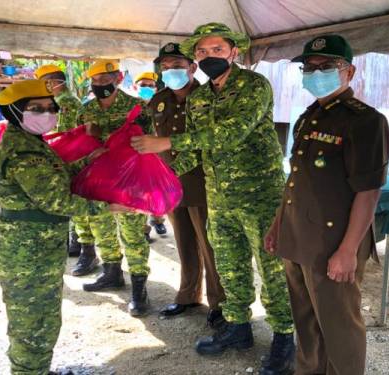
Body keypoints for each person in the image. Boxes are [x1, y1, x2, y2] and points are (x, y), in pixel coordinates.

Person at [131, 22, 295, 375]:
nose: (208, 57)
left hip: (260, 195)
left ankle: (284, 335)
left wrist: (170, 143)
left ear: (234, 52)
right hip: (218, 196)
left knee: (272, 268)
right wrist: (164, 176)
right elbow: (201, 146)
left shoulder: (254, 86)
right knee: (230, 264)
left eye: (216, 50)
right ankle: (238, 326)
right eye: (202, 52)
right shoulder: (201, 97)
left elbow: (232, 132)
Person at [265, 35, 389, 375]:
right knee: (306, 326)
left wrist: (349, 250)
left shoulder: (365, 121)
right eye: (310, 67)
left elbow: (368, 193)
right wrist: (278, 225)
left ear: (349, 72)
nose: (315, 72)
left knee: (339, 329)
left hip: (332, 244)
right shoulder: (309, 116)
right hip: (298, 238)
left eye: (327, 67)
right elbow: (296, 180)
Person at [0, 79, 130, 375]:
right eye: (35, 108)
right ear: (14, 112)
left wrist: (86, 161)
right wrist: (108, 206)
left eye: (50, 107)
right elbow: (56, 200)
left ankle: (37, 371)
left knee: (43, 321)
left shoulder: (30, 142)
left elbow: (54, 174)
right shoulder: (22, 152)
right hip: (26, 257)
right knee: (33, 326)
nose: (47, 113)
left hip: (36, 254)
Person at [149, 42, 226, 326]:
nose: (170, 72)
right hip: (170, 183)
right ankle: (188, 295)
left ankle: (219, 302)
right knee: (183, 242)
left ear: (192, 68)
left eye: (177, 66)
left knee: (210, 245)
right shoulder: (158, 100)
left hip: (203, 183)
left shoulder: (209, 98)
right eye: (165, 67)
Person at [78, 60, 154, 317]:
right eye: (95, 81)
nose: (100, 85)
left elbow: (148, 145)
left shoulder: (137, 107)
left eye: (105, 79)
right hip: (99, 180)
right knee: (103, 228)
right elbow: (80, 143)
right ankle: (111, 272)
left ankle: (139, 289)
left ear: (118, 78)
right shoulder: (86, 109)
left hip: (130, 181)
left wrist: (110, 148)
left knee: (133, 234)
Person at [35, 64, 90, 258]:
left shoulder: (65, 101)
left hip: (69, 157)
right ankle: (77, 241)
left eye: (44, 82)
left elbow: (63, 135)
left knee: (71, 197)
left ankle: (80, 244)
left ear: (52, 82)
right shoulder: (59, 99)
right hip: (67, 155)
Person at [133, 71, 169, 240]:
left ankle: (158, 219)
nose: (147, 88)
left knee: (157, 189)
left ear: (156, 88)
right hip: (138, 155)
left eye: (150, 85)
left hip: (160, 154)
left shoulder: (162, 104)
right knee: (140, 192)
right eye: (143, 85)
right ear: (135, 87)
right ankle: (143, 228)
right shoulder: (131, 107)